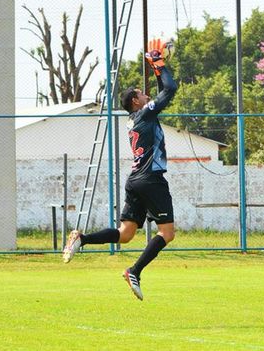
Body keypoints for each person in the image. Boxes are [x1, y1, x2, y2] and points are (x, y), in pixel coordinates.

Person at [62, 39, 178, 301]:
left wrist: (155, 64)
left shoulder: (135, 118)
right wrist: (159, 64)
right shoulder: (145, 114)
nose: (147, 95)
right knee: (167, 233)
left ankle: (82, 238)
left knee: (125, 235)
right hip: (151, 180)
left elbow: (161, 94)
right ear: (136, 101)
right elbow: (169, 89)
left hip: (135, 179)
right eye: (142, 93)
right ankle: (134, 271)